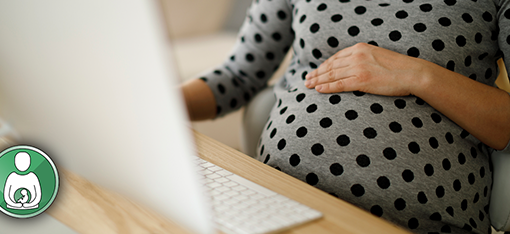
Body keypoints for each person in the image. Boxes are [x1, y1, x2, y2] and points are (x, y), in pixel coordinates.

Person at [181, 1, 510, 233]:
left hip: (414, 220)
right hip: (274, 202)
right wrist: (153, 104)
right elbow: (239, 76)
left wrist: (418, 76)